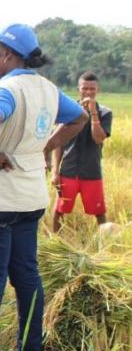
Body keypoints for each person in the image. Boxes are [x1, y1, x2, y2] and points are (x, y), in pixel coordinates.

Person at [0, 24, 87, 351]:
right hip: (30, 198)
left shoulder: (8, 88)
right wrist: (44, 147)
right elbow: (80, 118)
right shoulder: (47, 89)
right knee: (27, 276)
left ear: (8, 56)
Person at [52, 71, 112, 232]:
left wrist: (93, 113)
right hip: (69, 170)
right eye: (85, 88)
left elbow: (98, 138)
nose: (88, 92)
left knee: (99, 212)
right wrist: (54, 171)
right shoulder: (70, 111)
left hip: (91, 171)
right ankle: (56, 243)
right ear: (78, 89)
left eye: (92, 89)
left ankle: (103, 244)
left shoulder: (105, 113)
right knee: (59, 210)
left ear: (97, 90)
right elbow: (58, 143)